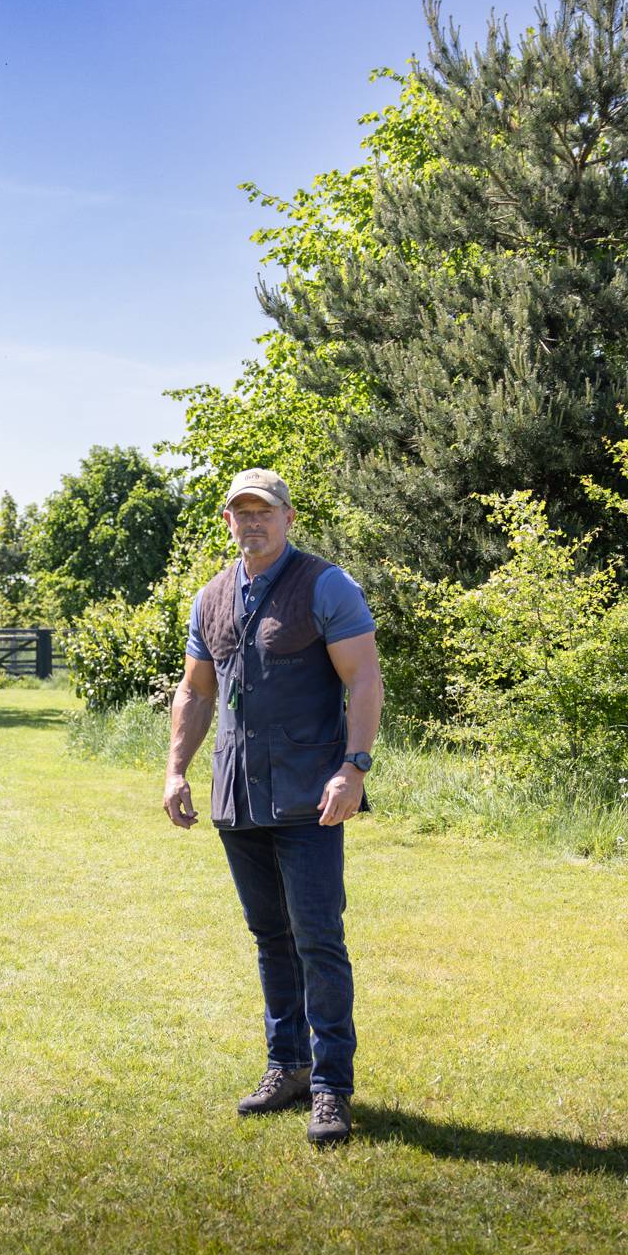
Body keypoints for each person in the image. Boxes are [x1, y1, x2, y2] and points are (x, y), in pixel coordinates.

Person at [162, 469, 382, 1146]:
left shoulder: (325, 584)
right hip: (240, 797)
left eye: (264, 511)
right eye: (241, 512)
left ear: (289, 517)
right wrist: (176, 769)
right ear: (227, 521)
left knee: (318, 938)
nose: (252, 522)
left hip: (311, 795)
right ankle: (286, 1066)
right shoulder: (212, 598)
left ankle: (331, 1088)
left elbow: (365, 676)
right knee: (270, 938)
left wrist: (353, 767)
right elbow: (197, 691)